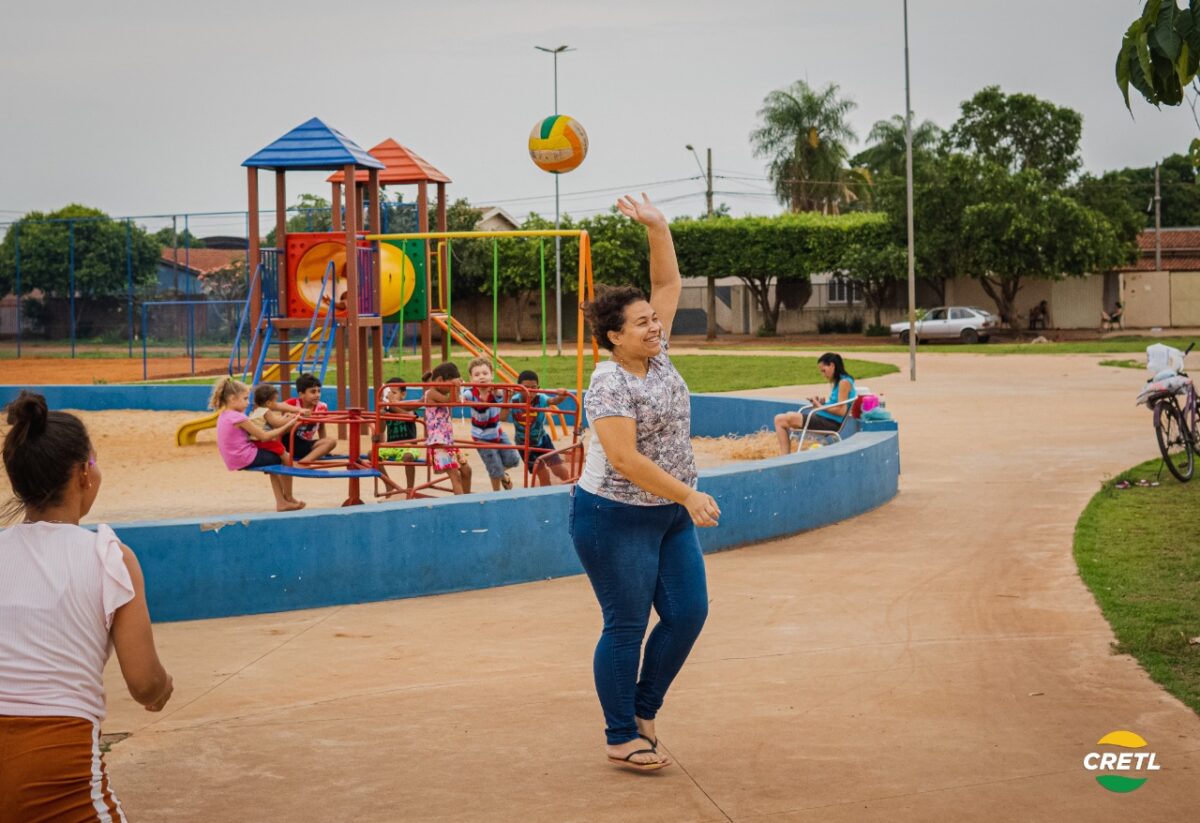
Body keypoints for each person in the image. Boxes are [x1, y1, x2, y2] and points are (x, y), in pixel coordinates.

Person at [573, 193, 721, 773]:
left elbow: (667, 283)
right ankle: (620, 735)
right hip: (614, 517)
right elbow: (624, 459)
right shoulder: (609, 383)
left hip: (668, 516)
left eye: (654, 319)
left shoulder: (657, 357)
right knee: (627, 624)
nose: (656, 325)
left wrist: (658, 227)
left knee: (687, 614)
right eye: (642, 322)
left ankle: (642, 709)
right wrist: (687, 493)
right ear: (615, 336)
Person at [0, 391, 174, 819]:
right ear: (83, 474)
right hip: (55, 756)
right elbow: (144, 683)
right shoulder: (109, 556)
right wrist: (162, 688)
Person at [211, 377, 305, 511]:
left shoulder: (224, 415)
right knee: (279, 458)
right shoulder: (238, 417)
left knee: (273, 458)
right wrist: (290, 423)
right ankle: (287, 498)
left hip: (234, 458)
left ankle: (283, 501)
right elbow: (264, 437)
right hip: (244, 457)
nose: (248, 402)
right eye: (245, 399)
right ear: (232, 399)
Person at [773, 353, 857, 455]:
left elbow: (841, 411)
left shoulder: (844, 382)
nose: (823, 374)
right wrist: (823, 403)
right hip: (824, 419)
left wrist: (820, 406)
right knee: (780, 419)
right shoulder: (841, 381)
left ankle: (785, 456)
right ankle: (785, 456)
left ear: (832, 365)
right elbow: (837, 405)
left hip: (829, 423)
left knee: (783, 419)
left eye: (824, 370)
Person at [462, 356, 519, 491]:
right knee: (495, 469)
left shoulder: (496, 391)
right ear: (471, 378)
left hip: (497, 432)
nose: (481, 377)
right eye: (477, 375)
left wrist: (508, 396)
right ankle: (496, 493)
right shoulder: (471, 393)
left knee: (513, 460)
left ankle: (502, 475)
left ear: (492, 375)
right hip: (481, 438)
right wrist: (459, 393)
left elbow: (504, 407)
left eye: (485, 373)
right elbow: (461, 399)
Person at [508, 370, 571, 486]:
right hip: (524, 445)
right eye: (526, 388)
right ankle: (546, 496)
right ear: (519, 388)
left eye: (533, 388)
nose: (530, 392)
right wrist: (505, 399)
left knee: (559, 470)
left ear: (538, 388)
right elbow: (502, 417)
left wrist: (562, 395)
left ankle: (571, 487)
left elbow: (554, 401)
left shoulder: (541, 398)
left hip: (542, 441)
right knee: (543, 475)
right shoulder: (513, 400)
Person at [423, 362, 473, 495]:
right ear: (440, 380)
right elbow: (450, 401)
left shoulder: (439, 393)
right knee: (455, 476)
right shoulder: (431, 393)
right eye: (449, 384)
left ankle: (468, 501)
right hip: (439, 443)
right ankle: (461, 503)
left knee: (466, 470)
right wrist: (454, 387)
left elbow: (453, 401)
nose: (451, 388)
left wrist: (455, 387)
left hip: (448, 442)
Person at [377, 376, 419, 494]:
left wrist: (393, 406)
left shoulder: (408, 406)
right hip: (392, 446)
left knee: (408, 457)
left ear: (403, 394)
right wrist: (381, 415)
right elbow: (381, 430)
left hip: (409, 446)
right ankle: (388, 484)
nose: (390, 396)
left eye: (394, 393)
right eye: (388, 393)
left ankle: (409, 489)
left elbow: (410, 416)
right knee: (372, 455)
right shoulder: (387, 409)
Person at [283, 373, 337, 464]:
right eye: (313, 392)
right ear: (301, 394)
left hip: (305, 444)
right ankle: (294, 460)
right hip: (288, 443)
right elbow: (282, 428)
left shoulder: (322, 407)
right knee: (289, 421)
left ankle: (303, 462)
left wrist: (325, 449)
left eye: (319, 391)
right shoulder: (292, 404)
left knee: (331, 441)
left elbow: (321, 427)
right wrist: (297, 417)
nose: (317, 395)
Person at [250, 383, 299, 466]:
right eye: (275, 401)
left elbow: (274, 421)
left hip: (256, 441)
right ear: (268, 403)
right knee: (282, 451)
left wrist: (285, 417)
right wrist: (292, 419)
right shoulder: (266, 411)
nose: (276, 404)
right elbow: (277, 424)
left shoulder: (257, 411)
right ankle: (291, 466)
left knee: (279, 451)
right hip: (264, 441)